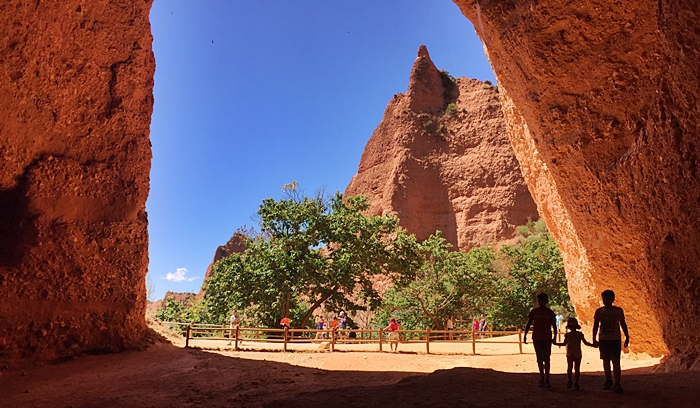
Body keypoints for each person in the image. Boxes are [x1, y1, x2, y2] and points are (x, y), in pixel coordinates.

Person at [592, 289, 629, 394]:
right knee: (606, 361)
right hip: (603, 339)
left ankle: (617, 383)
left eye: (608, 298)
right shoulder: (599, 312)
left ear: (613, 299)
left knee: (616, 361)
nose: (605, 300)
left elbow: (623, 324)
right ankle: (608, 380)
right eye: (604, 298)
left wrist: (627, 336)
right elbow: (595, 326)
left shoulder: (618, 311)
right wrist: (594, 338)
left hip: (615, 339)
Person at [523, 293, 557, 388]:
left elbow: (554, 325)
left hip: (547, 338)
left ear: (546, 301)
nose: (541, 302)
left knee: (546, 358)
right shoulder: (534, 312)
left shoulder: (550, 312)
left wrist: (554, 337)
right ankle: (542, 378)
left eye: (542, 300)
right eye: (539, 300)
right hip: (537, 338)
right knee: (539, 358)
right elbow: (528, 324)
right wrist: (525, 335)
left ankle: (547, 379)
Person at [555, 317, 595, 390]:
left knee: (570, 367)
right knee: (576, 368)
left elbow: (564, 344)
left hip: (570, 353)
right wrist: (593, 345)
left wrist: (556, 343)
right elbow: (585, 343)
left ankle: (570, 381)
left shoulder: (567, 335)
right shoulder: (579, 334)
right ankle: (576, 382)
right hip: (577, 353)